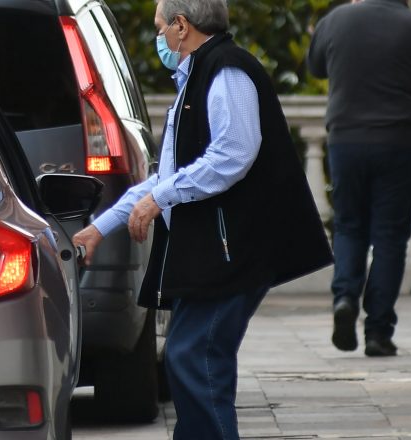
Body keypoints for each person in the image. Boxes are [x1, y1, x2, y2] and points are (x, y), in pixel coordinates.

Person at [72, 0, 332, 437]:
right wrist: (101, 227)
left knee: (195, 356)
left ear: (181, 25)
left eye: (160, 28)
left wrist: (161, 198)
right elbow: (166, 178)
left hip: (233, 250)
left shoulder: (227, 71)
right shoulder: (197, 77)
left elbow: (232, 154)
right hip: (213, 250)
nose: (158, 38)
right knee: (191, 356)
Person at [307, 0, 411, 357]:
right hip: (398, 141)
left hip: (346, 138)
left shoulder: (337, 20)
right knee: (390, 236)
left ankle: (344, 297)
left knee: (348, 226)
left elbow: (315, 68)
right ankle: (377, 330)